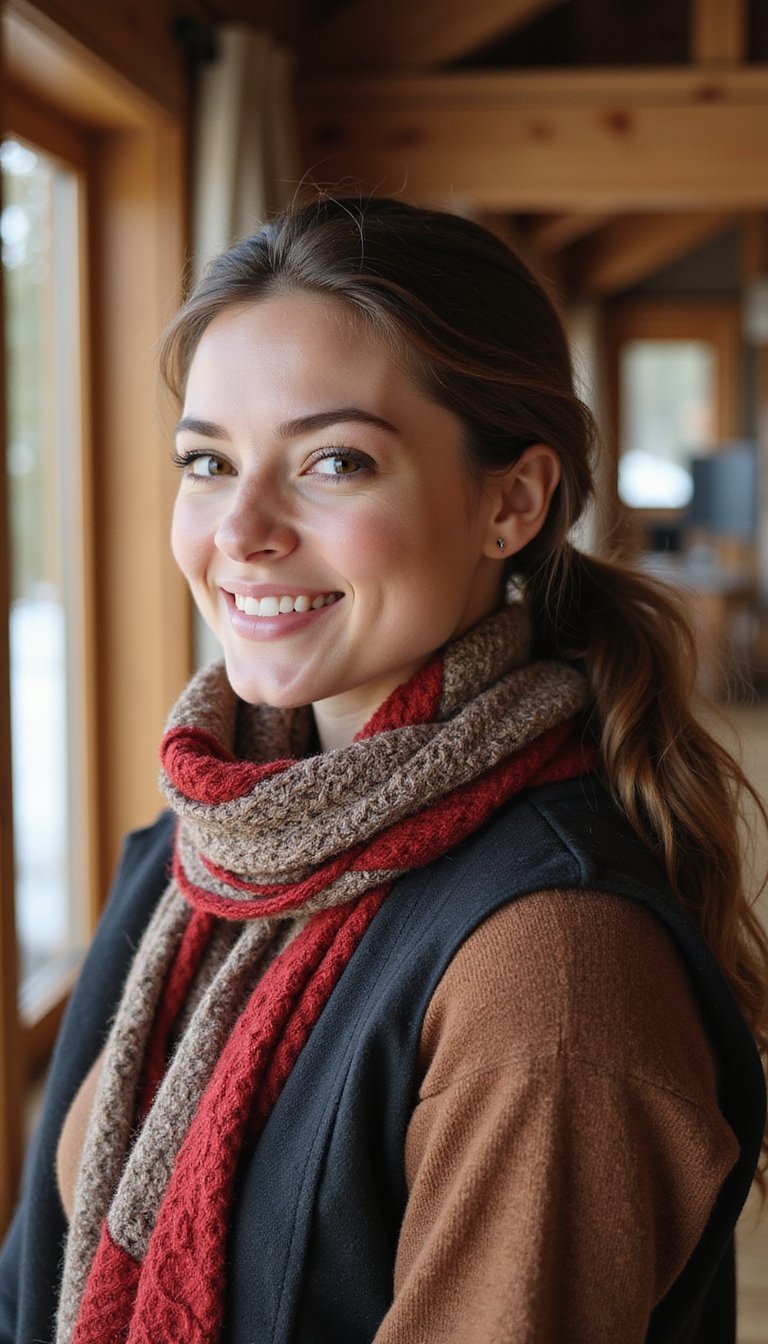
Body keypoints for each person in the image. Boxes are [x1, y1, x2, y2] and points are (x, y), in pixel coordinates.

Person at [1, 195, 767, 1344]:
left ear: (511, 502)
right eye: (207, 461)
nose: (240, 528)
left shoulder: (548, 972)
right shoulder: (200, 853)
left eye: (333, 461)